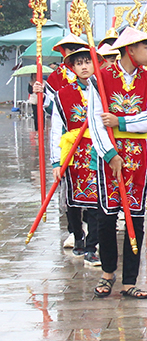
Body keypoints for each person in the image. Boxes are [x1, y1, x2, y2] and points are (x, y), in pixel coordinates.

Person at [88, 26, 147, 300]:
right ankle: (108, 273)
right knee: (106, 218)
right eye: (145, 47)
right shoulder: (101, 78)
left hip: (138, 156)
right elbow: (95, 120)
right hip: (110, 158)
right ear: (130, 50)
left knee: (137, 218)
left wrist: (120, 121)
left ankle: (129, 281)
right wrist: (110, 154)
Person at [38, 45, 102, 266]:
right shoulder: (63, 94)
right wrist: (56, 160)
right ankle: (78, 236)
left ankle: (93, 246)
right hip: (73, 153)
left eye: (87, 62)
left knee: (96, 201)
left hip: (98, 151)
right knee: (72, 201)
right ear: (73, 67)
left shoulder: (104, 91)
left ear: (95, 63)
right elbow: (57, 128)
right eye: (79, 63)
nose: (84, 66)